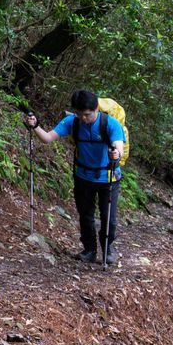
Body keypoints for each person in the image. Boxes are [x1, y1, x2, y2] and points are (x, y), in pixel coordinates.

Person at [23, 89, 126, 264]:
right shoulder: (73, 122)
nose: (83, 119)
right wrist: (35, 126)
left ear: (96, 110)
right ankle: (89, 250)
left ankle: (107, 250)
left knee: (109, 217)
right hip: (83, 176)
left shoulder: (111, 124)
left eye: (86, 115)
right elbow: (47, 138)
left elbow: (119, 148)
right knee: (85, 215)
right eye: (79, 114)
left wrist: (116, 153)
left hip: (108, 177)